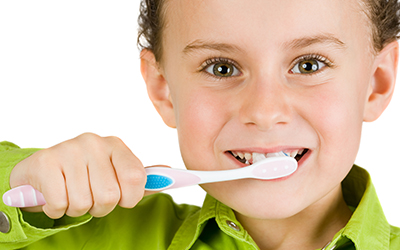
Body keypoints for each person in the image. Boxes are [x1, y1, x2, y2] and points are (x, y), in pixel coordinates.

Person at [1, 0, 400, 249]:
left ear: (376, 82)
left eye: (309, 65)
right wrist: (27, 179)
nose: (263, 111)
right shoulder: (90, 234)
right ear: (164, 89)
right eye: (221, 67)